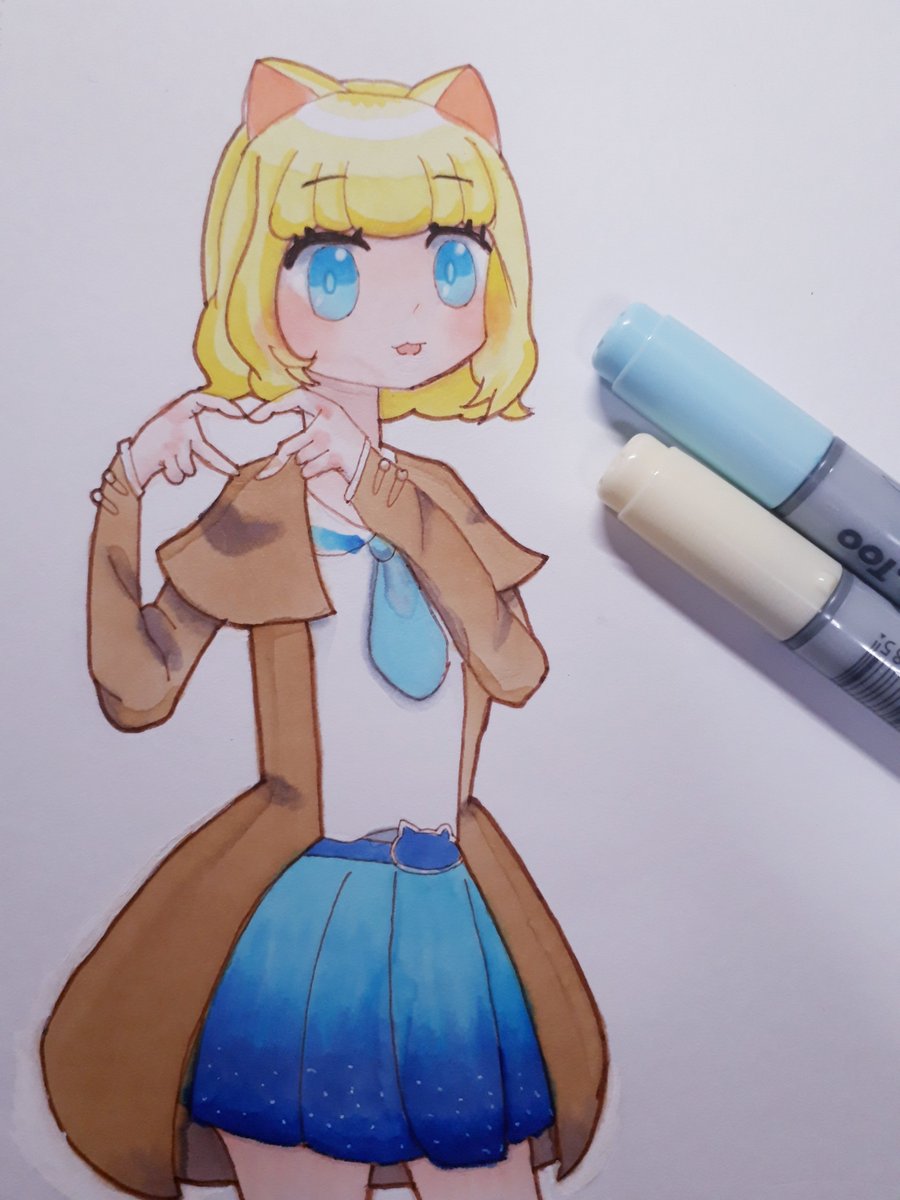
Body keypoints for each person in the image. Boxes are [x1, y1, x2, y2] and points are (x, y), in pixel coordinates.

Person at [42, 59, 608, 1200]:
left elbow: (514, 662)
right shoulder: (262, 508)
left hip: (450, 907)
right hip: (306, 912)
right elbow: (137, 689)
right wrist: (125, 491)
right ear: (262, 283)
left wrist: (384, 495)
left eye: (452, 264)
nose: (411, 312)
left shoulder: (435, 497)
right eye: (337, 269)